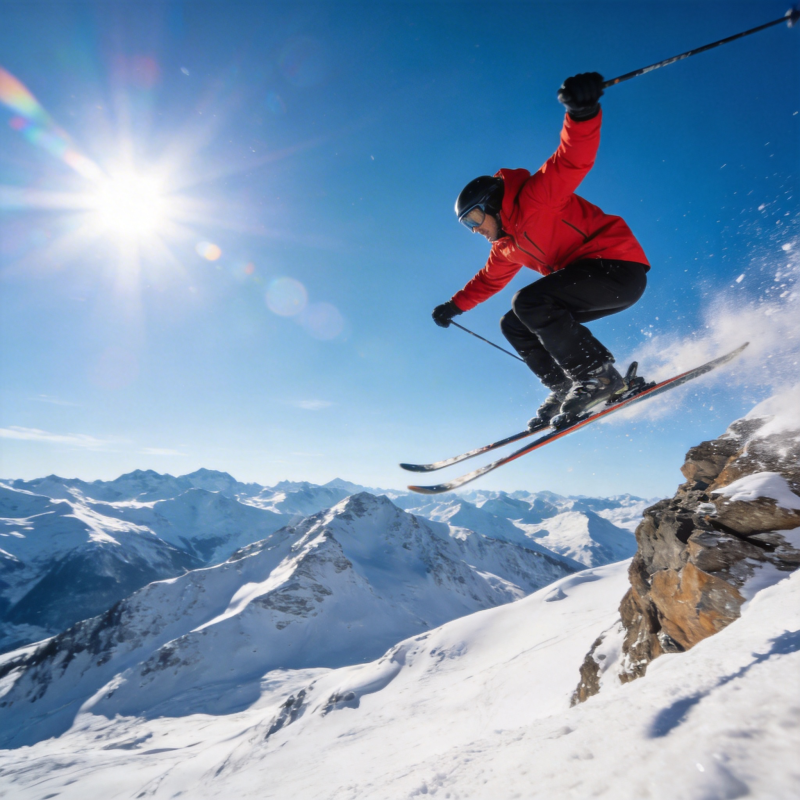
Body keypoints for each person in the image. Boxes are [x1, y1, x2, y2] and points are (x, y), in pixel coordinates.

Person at [432, 73, 650, 428]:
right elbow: (487, 282)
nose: (474, 229)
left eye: (474, 218)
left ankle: (599, 375)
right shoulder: (505, 247)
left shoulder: (537, 196)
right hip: (586, 281)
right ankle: (564, 385)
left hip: (617, 269)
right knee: (514, 324)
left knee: (530, 302)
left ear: (492, 203)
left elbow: (572, 160)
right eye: (466, 225)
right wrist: (453, 307)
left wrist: (582, 113)